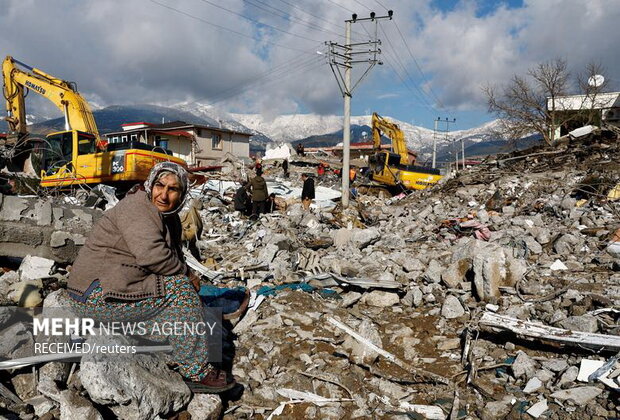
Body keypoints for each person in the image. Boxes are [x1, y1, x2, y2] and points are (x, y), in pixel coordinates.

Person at [66, 162, 236, 394]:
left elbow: (172, 255)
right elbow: (152, 256)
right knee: (180, 289)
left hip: (118, 285)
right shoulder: (137, 208)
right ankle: (195, 371)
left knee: (186, 307)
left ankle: (177, 349)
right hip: (96, 295)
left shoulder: (168, 217)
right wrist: (188, 275)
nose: (164, 195)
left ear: (182, 194)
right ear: (150, 184)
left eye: (173, 189)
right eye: (159, 185)